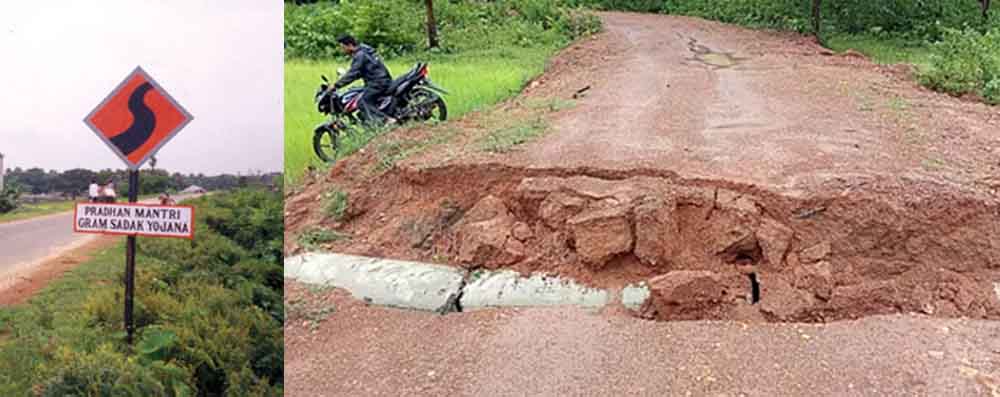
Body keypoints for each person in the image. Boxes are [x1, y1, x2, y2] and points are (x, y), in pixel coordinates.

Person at [331, 34, 396, 125]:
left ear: (349, 45)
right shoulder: (365, 50)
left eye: (343, 47)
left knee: (362, 102)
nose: (342, 50)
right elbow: (358, 73)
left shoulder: (360, 55)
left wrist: (336, 85)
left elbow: (353, 73)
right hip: (380, 80)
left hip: (378, 83)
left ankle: (386, 120)